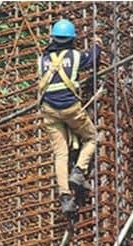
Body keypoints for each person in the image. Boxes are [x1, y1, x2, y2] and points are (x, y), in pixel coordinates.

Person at [38, 19, 101, 216]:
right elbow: (91, 60)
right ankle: (79, 171)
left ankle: (65, 195)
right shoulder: (74, 56)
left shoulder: (42, 60)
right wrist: (97, 45)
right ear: (71, 39)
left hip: (48, 110)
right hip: (70, 109)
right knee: (92, 138)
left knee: (60, 153)